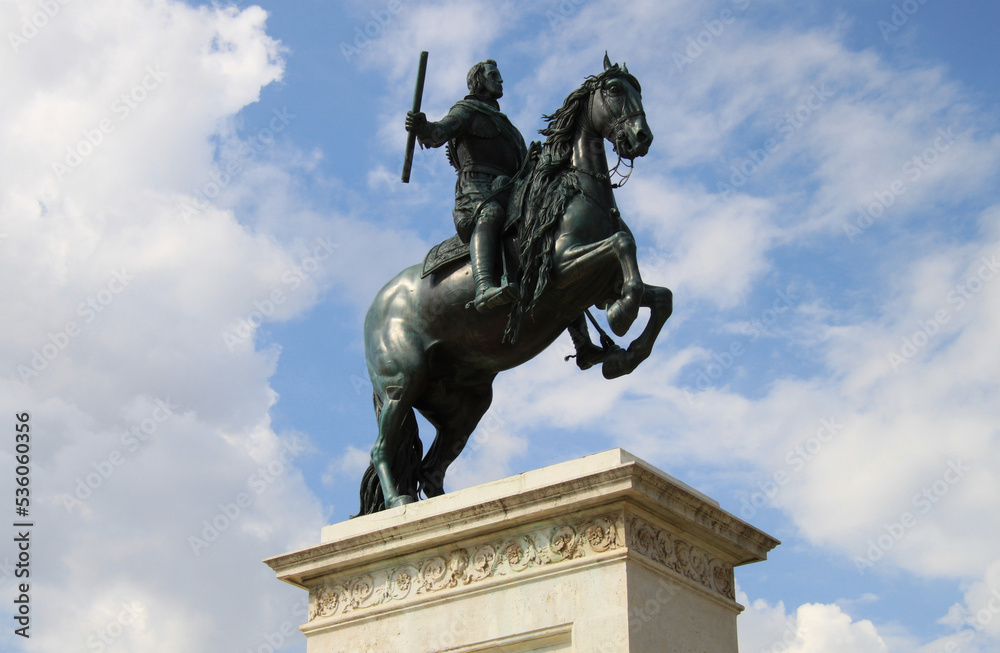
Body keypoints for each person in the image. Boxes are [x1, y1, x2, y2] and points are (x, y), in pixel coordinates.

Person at [406, 59, 526, 312]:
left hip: (509, 187)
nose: (501, 80)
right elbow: (438, 132)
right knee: (490, 213)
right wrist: (422, 126)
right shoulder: (467, 110)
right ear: (479, 81)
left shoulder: (509, 128)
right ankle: (484, 288)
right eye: (494, 75)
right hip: (477, 187)